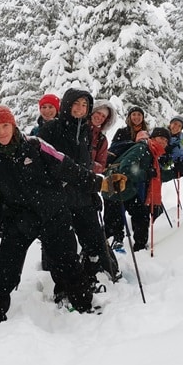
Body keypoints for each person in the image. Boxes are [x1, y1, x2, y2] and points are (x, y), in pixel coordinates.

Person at [0, 105, 125, 321]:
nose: (2, 132)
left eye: (5, 125)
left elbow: (71, 170)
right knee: (4, 269)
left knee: (68, 263)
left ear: (13, 124)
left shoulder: (35, 146)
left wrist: (102, 184)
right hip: (19, 220)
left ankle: (84, 306)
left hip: (53, 213)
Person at [38, 89, 119, 288]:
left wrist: (92, 193)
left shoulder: (84, 132)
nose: (80, 109)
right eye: (76, 104)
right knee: (64, 249)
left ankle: (91, 278)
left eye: (84, 105)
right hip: (59, 199)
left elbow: (85, 165)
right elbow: (46, 165)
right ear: (67, 105)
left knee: (93, 241)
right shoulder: (51, 129)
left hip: (82, 197)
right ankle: (65, 289)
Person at [102, 127, 179, 251]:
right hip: (113, 186)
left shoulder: (152, 153)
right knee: (113, 226)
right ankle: (106, 253)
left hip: (127, 189)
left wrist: (176, 172)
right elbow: (126, 168)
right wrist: (146, 174)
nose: (163, 142)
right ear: (153, 138)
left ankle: (139, 247)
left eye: (166, 140)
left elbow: (156, 175)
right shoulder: (142, 148)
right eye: (161, 138)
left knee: (141, 216)